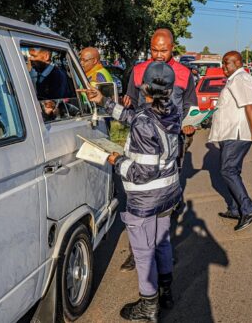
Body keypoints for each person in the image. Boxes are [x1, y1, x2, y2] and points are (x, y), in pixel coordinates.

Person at [85, 62, 181, 322]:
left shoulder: (145, 121)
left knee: (143, 251)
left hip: (146, 196)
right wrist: (104, 101)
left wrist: (116, 160)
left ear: (144, 88)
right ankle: (166, 292)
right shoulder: (170, 110)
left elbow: (143, 172)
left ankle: (149, 306)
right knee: (162, 243)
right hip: (169, 192)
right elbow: (135, 118)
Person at [119, 28, 197, 272]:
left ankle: (163, 251)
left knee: (165, 201)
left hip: (173, 145)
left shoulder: (185, 74)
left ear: (173, 47)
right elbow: (129, 101)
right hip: (142, 144)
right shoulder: (140, 70)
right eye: (154, 49)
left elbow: (190, 106)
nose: (158, 54)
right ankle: (138, 252)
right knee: (138, 199)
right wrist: (124, 104)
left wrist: (189, 125)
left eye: (163, 50)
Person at [209, 51, 252, 231]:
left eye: (227, 63)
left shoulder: (241, 79)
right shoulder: (234, 79)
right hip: (230, 133)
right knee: (232, 171)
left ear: (238, 63)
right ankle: (235, 209)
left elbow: (250, 105)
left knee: (227, 170)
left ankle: (248, 209)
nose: (223, 67)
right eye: (223, 63)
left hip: (237, 134)